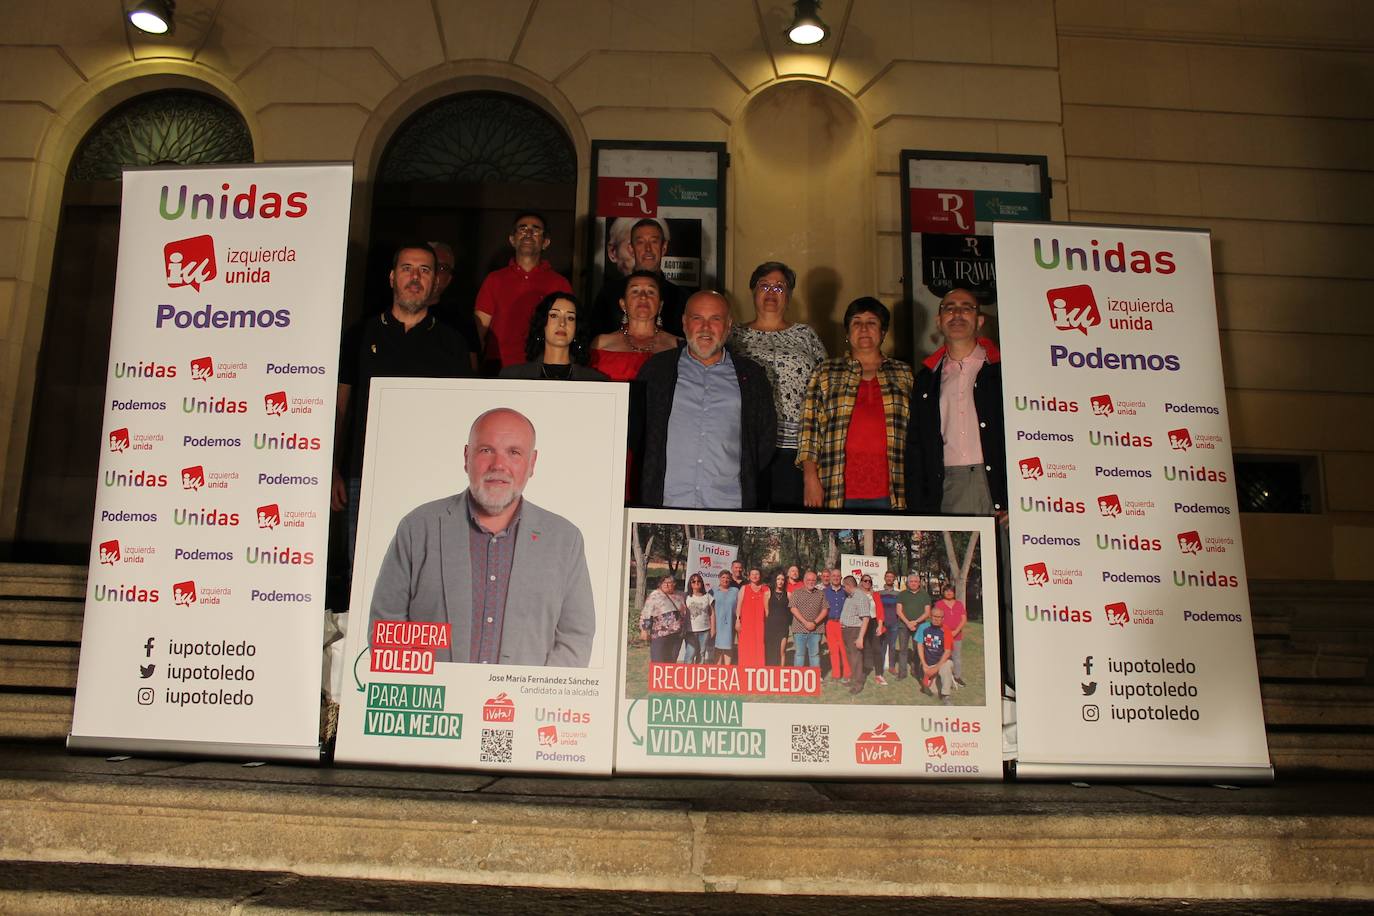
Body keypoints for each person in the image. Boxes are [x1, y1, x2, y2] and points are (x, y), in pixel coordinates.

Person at [369, 408, 595, 667]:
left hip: (525, 705)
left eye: (514, 452)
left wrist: (537, 698)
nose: (498, 465)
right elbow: (386, 625)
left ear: (532, 464)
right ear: (467, 457)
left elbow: (575, 638)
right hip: (437, 704)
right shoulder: (418, 528)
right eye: (486, 450)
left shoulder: (565, 540)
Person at [335, 242, 472, 582]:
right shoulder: (360, 335)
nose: (416, 277)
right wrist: (334, 468)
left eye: (425, 270)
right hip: (363, 475)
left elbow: (463, 413)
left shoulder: (452, 343)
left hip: (428, 479)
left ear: (435, 281)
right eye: (408, 269)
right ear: (392, 277)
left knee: (425, 575)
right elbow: (341, 407)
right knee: (363, 569)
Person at [635, 290, 777, 509]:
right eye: (697, 318)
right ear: (684, 323)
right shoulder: (656, 371)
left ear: (729, 326)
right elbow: (636, 436)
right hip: (665, 509)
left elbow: (764, 443)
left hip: (729, 511)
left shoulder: (752, 377)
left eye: (715, 319)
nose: (705, 328)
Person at [727, 262, 828, 509]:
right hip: (747, 446)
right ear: (753, 292)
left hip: (797, 452)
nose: (771, 292)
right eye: (765, 285)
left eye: (780, 287)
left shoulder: (806, 335)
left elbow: (825, 390)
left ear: (790, 296)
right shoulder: (734, 336)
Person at [798, 297, 914, 510]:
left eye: (872, 322)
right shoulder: (826, 372)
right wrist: (810, 479)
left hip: (892, 489)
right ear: (847, 333)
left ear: (883, 332)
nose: (864, 329)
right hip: (836, 488)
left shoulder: (904, 373)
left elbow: (916, 433)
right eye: (856, 322)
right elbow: (809, 430)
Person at [905, 286, 1007, 516]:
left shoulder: (1003, 370)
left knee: (1003, 551)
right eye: (949, 309)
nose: (957, 314)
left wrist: (1019, 496)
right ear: (939, 321)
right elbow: (917, 447)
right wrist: (919, 508)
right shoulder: (926, 379)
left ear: (980, 320)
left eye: (966, 309)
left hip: (994, 484)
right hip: (947, 484)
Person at [475, 211, 573, 372]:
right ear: (512, 240)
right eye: (522, 229)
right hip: (498, 366)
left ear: (545, 242)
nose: (528, 233)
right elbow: (479, 329)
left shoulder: (559, 283)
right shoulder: (494, 280)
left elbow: (567, 329)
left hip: (542, 367)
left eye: (535, 229)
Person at [591, 218, 691, 337]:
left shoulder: (681, 297)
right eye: (640, 242)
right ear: (631, 249)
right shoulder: (609, 293)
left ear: (664, 247)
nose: (647, 249)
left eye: (654, 242)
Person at [588, 270, 679, 382]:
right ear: (623, 304)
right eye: (635, 291)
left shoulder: (677, 346)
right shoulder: (601, 344)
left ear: (660, 306)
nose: (643, 297)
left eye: (650, 292)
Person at [499, 292, 609, 381]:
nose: (562, 323)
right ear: (542, 324)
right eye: (554, 315)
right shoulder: (511, 376)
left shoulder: (596, 381)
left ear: (577, 328)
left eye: (570, 318)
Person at [426, 239, 480, 370]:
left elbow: (471, 374)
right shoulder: (390, 316)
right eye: (428, 265)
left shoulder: (462, 322)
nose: (435, 273)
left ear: (449, 278)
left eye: (442, 268)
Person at [639, 575, 686, 663]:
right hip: (660, 635)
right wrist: (644, 630)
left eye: (669, 583)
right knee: (658, 661)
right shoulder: (655, 595)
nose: (666, 585)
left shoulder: (680, 595)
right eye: (664, 583)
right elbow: (646, 612)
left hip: (676, 635)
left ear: (674, 584)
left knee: (671, 661)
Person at [894, 573, 933, 680]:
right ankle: (902, 673)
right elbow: (898, 611)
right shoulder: (902, 594)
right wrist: (908, 623)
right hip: (903, 625)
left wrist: (915, 622)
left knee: (918, 649)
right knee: (903, 649)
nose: (913, 583)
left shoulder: (924, 595)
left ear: (919, 583)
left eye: (916, 581)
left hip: (920, 627)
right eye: (911, 581)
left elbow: (927, 612)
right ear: (908, 583)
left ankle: (916, 671)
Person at [916, 604, 956, 705]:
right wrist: (924, 664)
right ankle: (933, 679)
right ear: (930, 616)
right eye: (934, 616)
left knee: (945, 668)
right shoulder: (923, 627)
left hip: (943, 661)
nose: (937, 619)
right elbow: (920, 645)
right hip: (928, 662)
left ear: (943, 618)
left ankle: (946, 695)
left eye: (939, 617)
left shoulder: (946, 630)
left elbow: (947, 652)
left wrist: (936, 668)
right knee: (932, 691)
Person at [839, 575, 872, 694]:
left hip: (854, 631)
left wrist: (860, 638)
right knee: (851, 658)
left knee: (856, 658)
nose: (843, 588)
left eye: (844, 586)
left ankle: (858, 684)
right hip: (846, 631)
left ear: (848, 585)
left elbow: (866, 618)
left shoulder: (860, 597)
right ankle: (853, 679)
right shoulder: (850, 596)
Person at [789, 570, 826, 669]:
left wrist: (814, 623)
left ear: (816, 581)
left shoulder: (821, 594)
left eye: (813, 580)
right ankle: (798, 677)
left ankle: (815, 676)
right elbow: (793, 608)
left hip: (816, 629)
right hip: (799, 628)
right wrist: (805, 623)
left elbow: (825, 610)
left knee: (814, 654)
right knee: (799, 654)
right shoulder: (796, 593)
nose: (811, 582)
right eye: (808, 580)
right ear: (804, 581)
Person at [935, 582, 969, 687]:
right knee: (942, 656)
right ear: (943, 592)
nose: (949, 593)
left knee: (956, 657)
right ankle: (941, 676)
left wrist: (956, 631)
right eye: (946, 591)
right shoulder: (939, 604)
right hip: (943, 634)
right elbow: (936, 619)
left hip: (957, 635)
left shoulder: (959, 604)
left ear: (954, 592)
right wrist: (946, 632)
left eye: (951, 591)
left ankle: (957, 677)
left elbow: (963, 619)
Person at [858, 574, 888, 687]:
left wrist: (880, 626)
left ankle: (879, 675)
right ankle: (862, 672)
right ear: (861, 582)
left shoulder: (875, 595)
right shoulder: (857, 594)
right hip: (861, 624)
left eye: (869, 581)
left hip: (874, 622)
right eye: (865, 581)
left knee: (877, 649)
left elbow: (880, 610)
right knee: (862, 649)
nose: (867, 583)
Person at [736, 568, 769, 669]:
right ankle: (744, 669)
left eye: (757, 574)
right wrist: (738, 620)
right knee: (745, 646)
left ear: (760, 576)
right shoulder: (744, 588)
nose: (755, 576)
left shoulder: (765, 589)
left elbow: (767, 609)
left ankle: (758, 670)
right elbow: (739, 606)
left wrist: (765, 622)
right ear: (749, 576)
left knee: (759, 646)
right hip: (746, 623)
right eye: (752, 574)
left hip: (759, 623)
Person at [821, 567, 850, 682]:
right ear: (830, 578)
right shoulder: (825, 592)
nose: (836, 578)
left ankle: (847, 673)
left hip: (843, 624)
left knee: (844, 649)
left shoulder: (846, 591)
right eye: (834, 576)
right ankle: (836, 674)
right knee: (833, 650)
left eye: (838, 576)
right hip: (830, 624)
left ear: (841, 578)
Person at [681, 573, 715, 664]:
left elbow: (712, 613)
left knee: (701, 653)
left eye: (699, 581)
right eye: (693, 581)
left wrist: (713, 629)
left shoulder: (707, 596)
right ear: (690, 584)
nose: (696, 583)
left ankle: (698, 675)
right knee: (690, 653)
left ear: (702, 583)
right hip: (690, 631)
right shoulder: (686, 596)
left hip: (704, 630)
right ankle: (686, 675)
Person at [877, 570, 903, 676]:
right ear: (884, 578)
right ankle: (880, 666)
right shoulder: (879, 593)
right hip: (882, 623)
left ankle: (892, 667)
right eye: (887, 576)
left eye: (891, 577)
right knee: (882, 646)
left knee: (892, 646)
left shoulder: (898, 593)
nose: (889, 578)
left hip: (894, 623)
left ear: (894, 579)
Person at [712, 570, 738, 664]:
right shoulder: (713, 591)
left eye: (727, 578)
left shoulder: (735, 591)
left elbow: (739, 607)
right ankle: (718, 669)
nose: (725, 580)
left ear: (730, 579)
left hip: (730, 623)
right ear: (719, 578)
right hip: (717, 624)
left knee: (728, 646)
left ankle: (727, 668)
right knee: (717, 647)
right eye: (723, 577)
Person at [766, 570, 791, 666]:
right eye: (778, 579)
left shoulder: (788, 594)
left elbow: (790, 611)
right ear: (775, 580)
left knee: (782, 651)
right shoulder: (768, 593)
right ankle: (771, 671)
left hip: (783, 627)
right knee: (771, 650)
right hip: (771, 626)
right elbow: (766, 611)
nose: (780, 581)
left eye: (782, 579)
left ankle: (782, 671)